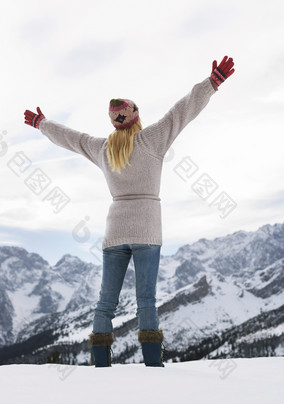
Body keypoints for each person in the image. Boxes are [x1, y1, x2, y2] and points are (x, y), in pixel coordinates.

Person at [24, 56, 235, 368]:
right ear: (136, 116)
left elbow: (71, 138)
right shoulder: (152, 138)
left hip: (114, 232)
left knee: (106, 303)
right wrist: (212, 83)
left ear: (114, 121)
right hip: (147, 229)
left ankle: (100, 364)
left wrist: (42, 124)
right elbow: (183, 110)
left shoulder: (103, 149)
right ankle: (152, 364)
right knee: (146, 300)